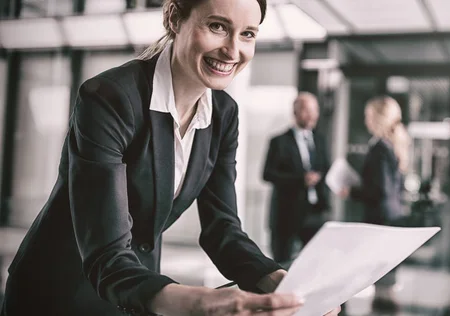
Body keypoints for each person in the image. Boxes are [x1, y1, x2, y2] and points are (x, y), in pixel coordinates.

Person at [1, 1, 341, 315]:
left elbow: (222, 228)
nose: (233, 50)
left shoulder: (224, 114)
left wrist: (278, 282)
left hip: (139, 290)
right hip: (60, 292)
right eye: (218, 26)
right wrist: (201, 301)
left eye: (248, 34)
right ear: (174, 18)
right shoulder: (110, 98)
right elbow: (107, 253)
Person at [340, 95, 411, 310]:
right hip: (391, 216)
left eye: (368, 115)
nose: (365, 120)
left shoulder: (379, 148)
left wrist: (352, 191)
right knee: (386, 280)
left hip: (380, 219)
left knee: (381, 279)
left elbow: (379, 191)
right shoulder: (392, 146)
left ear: (378, 119)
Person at [263, 92, 331, 264]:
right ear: (295, 112)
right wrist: (301, 179)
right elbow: (267, 174)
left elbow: (325, 169)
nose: (312, 115)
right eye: (306, 110)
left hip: (314, 213)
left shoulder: (320, 140)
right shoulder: (279, 141)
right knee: (282, 263)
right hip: (286, 214)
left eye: (314, 110)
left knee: (313, 264)